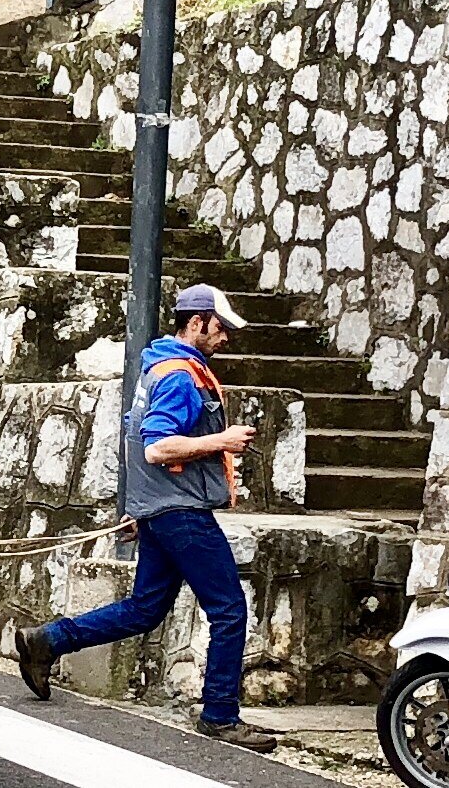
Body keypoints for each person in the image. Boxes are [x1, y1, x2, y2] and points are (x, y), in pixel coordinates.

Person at [14, 284, 279, 754]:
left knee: (145, 608)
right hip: (180, 511)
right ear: (196, 323)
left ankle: (47, 641)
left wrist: (138, 507)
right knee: (229, 608)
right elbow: (157, 447)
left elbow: (136, 445)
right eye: (221, 328)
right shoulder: (180, 376)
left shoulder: (156, 367)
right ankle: (220, 714)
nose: (226, 338)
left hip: (159, 509)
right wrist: (224, 440)